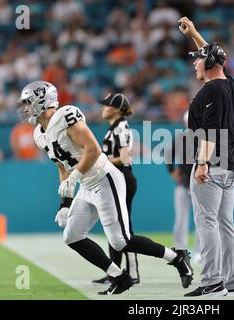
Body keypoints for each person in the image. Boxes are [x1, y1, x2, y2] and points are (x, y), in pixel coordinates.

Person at [16, 80, 193, 295]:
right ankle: (119, 276)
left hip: (104, 178)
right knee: (72, 236)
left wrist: (75, 179)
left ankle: (177, 258)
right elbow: (61, 167)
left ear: (42, 100)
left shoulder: (66, 116)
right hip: (86, 185)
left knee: (121, 241)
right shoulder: (39, 133)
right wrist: (65, 203)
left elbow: (93, 149)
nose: (24, 108)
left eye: (28, 102)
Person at [178, 17, 234, 297]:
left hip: (213, 166)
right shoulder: (229, 84)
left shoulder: (212, 89)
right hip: (230, 165)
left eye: (198, 59)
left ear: (209, 64)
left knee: (207, 223)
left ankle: (212, 282)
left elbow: (211, 131)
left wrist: (202, 162)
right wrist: (194, 34)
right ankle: (231, 283)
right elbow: (215, 56)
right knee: (226, 224)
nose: (194, 63)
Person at [92, 93, 140, 286]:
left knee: (123, 228)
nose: (103, 108)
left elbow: (126, 158)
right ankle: (116, 271)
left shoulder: (120, 128)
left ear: (117, 109)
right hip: (118, 178)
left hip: (123, 178)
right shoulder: (114, 128)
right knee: (116, 226)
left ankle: (132, 272)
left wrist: (101, 162)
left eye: (106, 105)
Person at [166, 111, 195, 253]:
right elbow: (168, 155)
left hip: (199, 183)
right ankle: (179, 248)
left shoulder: (203, 138)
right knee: (181, 217)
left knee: (201, 219)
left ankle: (201, 251)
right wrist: (172, 170)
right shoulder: (180, 138)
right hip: (183, 182)